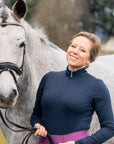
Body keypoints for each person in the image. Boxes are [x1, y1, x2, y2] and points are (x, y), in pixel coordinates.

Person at [30, 31, 114, 144]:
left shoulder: (97, 86)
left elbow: (109, 128)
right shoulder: (48, 78)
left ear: (90, 58)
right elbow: (36, 114)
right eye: (73, 46)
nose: (75, 51)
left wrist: (79, 143)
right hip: (45, 141)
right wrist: (37, 125)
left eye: (82, 50)